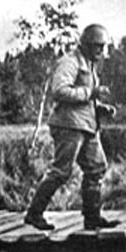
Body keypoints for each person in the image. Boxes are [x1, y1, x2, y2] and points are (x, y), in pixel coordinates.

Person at [24, 24, 119, 231]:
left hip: (86, 125)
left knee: (96, 168)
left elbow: (84, 97)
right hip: (68, 126)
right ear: (85, 45)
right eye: (97, 47)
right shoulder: (70, 62)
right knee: (60, 171)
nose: (101, 52)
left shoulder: (89, 64)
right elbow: (60, 91)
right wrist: (91, 93)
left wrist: (101, 108)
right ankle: (34, 214)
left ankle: (92, 218)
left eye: (102, 47)